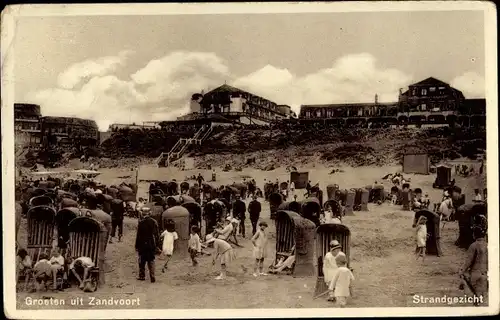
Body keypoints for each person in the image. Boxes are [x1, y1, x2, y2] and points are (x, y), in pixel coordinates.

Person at [459, 227, 488, 305]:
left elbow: (469, 261)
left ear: (474, 235)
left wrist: (462, 270)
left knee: (475, 295)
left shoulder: (473, 246)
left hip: (475, 272)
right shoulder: (487, 245)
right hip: (485, 272)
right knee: (481, 294)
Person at [135, 207, 160, 283]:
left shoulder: (141, 223)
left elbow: (138, 235)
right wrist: (157, 245)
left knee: (142, 261)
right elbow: (156, 235)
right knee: (151, 260)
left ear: (143, 214)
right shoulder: (154, 222)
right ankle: (152, 276)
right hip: (151, 244)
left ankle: (142, 276)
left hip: (142, 244)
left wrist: (136, 245)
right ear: (149, 213)